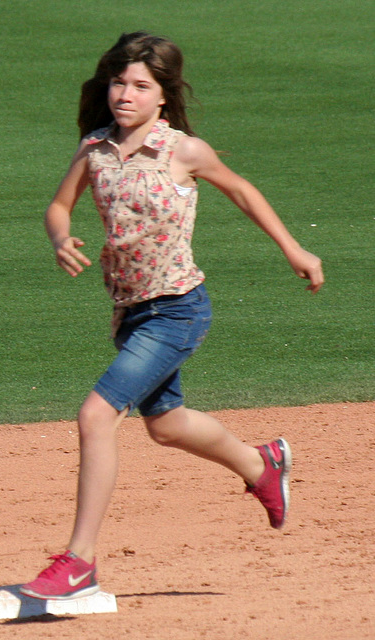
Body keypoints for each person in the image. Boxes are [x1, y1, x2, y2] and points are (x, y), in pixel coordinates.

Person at [20, 31, 324, 601]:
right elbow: (59, 206)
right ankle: (263, 466)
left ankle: (79, 561)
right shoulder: (95, 149)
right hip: (131, 315)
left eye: (140, 85)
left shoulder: (182, 150)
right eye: (118, 82)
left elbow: (242, 192)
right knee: (167, 425)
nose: (124, 95)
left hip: (178, 310)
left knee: (95, 415)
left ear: (163, 96)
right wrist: (61, 236)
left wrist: (294, 249)